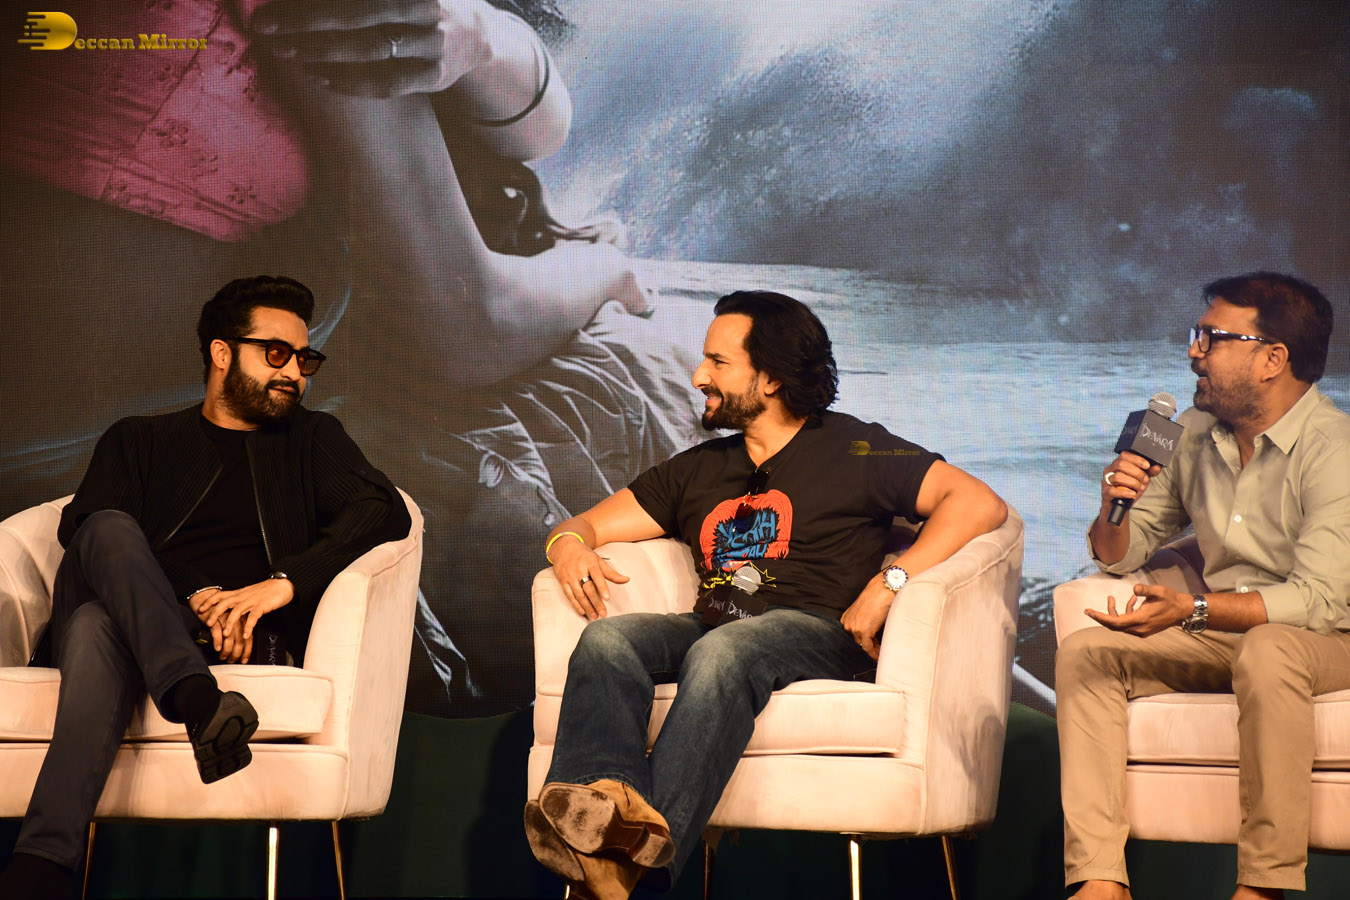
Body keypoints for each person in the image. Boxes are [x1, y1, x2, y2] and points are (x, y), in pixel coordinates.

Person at [521, 290, 1008, 898]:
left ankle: (638, 877)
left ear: (772, 378)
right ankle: (608, 822)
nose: (699, 376)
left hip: (817, 631)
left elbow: (978, 502)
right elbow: (583, 526)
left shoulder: (857, 448)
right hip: (715, 624)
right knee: (608, 639)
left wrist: (890, 583)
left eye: (718, 362)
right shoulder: (699, 469)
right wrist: (567, 546)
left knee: (727, 650)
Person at [0, 276, 412, 900]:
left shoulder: (311, 441)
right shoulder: (139, 440)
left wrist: (281, 585)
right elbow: (84, 528)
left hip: (232, 639)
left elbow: (383, 510)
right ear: (222, 353)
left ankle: (39, 869)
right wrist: (198, 592)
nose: (294, 374)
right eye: (276, 354)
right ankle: (198, 702)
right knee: (106, 529)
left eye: (305, 360)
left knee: (95, 625)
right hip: (166, 621)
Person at [1056, 272, 1350, 900]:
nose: (1194, 351)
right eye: (1198, 334)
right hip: (1225, 631)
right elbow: (1121, 554)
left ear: (1272, 358)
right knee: (1087, 654)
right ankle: (1100, 880)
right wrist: (1114, 503)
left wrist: (1192, 607)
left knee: (1272, 646)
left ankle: (1264, 886)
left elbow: (1318, 602)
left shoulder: (1336, 449)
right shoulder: (1184, 428)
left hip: (1327, 638)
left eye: (1212, 337)